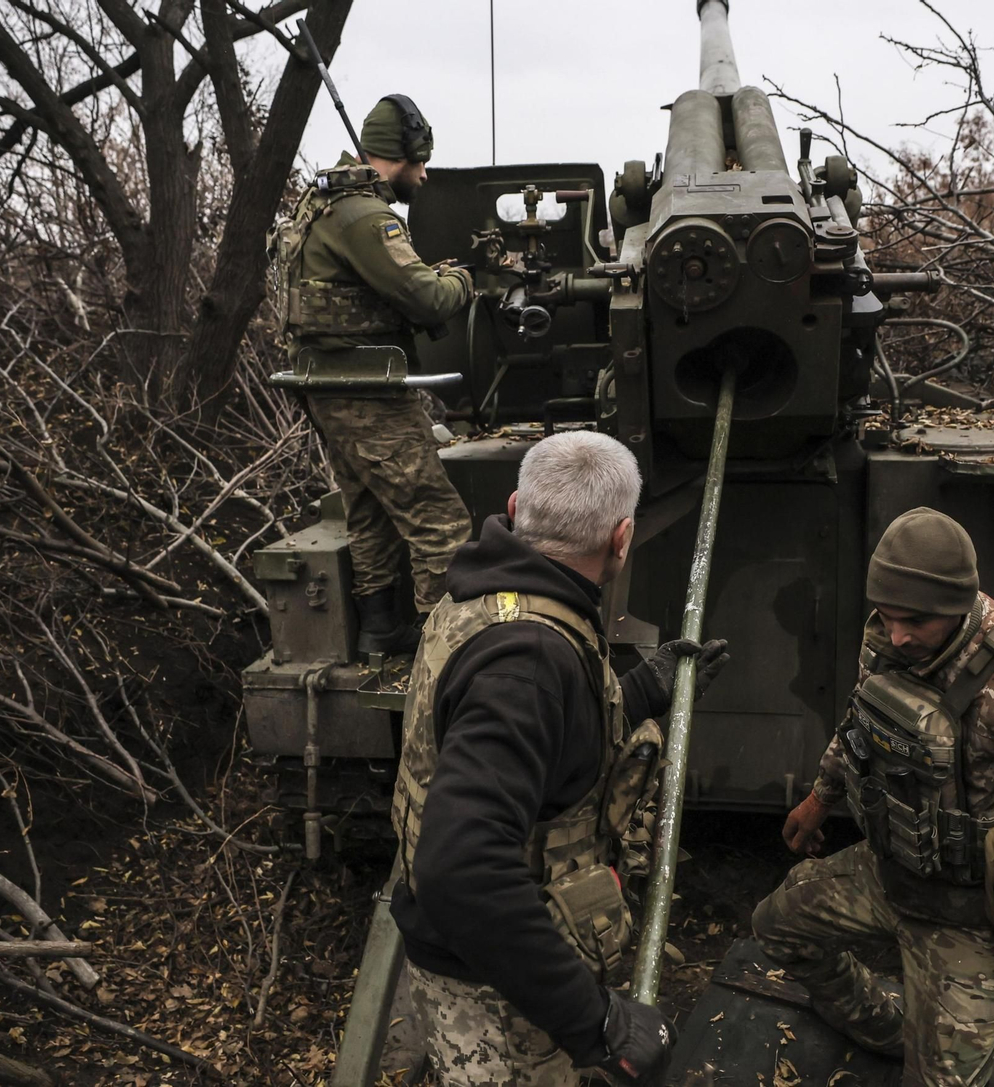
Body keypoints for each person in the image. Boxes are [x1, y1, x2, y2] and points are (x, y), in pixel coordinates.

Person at [751, 507, 994, 1087]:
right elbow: (862, 723)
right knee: (777, 926)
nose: (897, 635)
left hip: (974, 919)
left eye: (913, 621)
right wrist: (823, 794)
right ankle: (883, 1028)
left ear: (960, 604)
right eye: (887, 617)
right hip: (889, 874)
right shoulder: (892, 637)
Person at [390, 431, 731, 1087]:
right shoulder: (530, 661)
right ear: (623, 538)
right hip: (495, 988)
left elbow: (539, 749)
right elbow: (461, 867)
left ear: (517, 508)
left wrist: (637, 694)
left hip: (485, 959)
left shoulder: (494, 595)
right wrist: (597, 1022)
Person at [269, 94, 474, 656]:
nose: (426, 176)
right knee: (440, 524)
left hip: (333, 388)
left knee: (370, 515)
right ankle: (443, 654)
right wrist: (462, 280)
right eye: (421, 163)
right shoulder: (365, 214)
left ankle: (381, 632)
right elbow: (427, 299)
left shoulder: (325, 202)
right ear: (401, 156)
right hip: (369, 396)